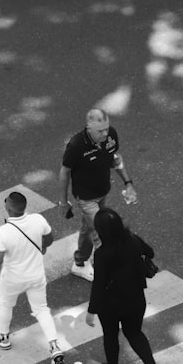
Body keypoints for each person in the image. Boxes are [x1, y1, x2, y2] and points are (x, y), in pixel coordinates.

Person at [57, 108, 137, 282]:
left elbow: (116, 158)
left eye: (106, 129)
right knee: (102, 233)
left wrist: (128, 183)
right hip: (86, 198)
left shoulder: (110, 136)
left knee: (88, 227)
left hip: (102, 192)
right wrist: (63, 202)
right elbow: (65, 172)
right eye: (100, 131)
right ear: (88, 127)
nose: (105, 134)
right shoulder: (76, 145)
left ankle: (79, 263)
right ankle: (111, 274)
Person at [0, 191, 65, 363]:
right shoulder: (38, 219)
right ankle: (54, 346)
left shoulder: (3, 232)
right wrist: (43, 247)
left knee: (6, 304)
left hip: (12, 278)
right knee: (42, 310)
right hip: (36, 275)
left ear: (8, 208)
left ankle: (3, 336)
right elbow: (49, 238)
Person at [85, 208, 157, 364]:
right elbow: (150, 253)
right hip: (135, 299)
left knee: (110, 337)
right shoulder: (133, 240)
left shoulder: (102, 254)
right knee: (134, 333)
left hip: (110, 305)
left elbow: (98, 284)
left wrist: (91, 311)